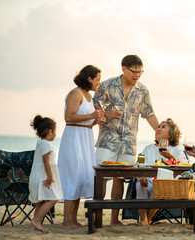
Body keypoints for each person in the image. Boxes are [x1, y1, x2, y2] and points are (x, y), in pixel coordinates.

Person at [93, 55, 159, 225]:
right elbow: (94, 103)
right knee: (102, 178)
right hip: (108, 139)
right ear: (123, 68)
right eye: (134, 71)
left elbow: (149, 113)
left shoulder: (143, 90)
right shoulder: (107, 85)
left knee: (120, 179)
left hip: (129, 143)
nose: (137, 75)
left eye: (140, 72)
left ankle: (114, 219)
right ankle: (96, 217)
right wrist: (106, 113)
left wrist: (159, 133)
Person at [57, 65, 105, 228]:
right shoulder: (75, 93)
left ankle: (73, 219)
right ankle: (66, 221)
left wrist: (95, 121)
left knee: (81, 177)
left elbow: (86, 121)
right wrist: (92, 115)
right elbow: (69, 117)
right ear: (89, 78)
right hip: (73, 137)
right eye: (97, 79)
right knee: (73, 175)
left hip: (85, 136)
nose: (99, 83)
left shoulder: (89, 97)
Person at [137, 118, 186, 225]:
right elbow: (139, 165)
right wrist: (141, 177)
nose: (158, 129)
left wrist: (172, 158)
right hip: (148, 181)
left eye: (163, 127)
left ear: (170, 134)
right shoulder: (148, 149)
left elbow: (185, 169)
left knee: (159, 187)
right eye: (158, 126)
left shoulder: (176, 150)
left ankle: (146, 221)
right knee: (140, 186)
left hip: (166, 185)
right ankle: (143, 219)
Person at [29, 115, 63, 233]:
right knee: (54, 198)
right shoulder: (46, 145)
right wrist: (50, 176)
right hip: (42, 177)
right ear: (50, 131)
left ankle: (36, 223)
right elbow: (46, 162)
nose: (55, 134)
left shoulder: (40, 143)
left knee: (40, 202)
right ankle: (37, 220)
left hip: (37, 177)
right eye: (55, 131)